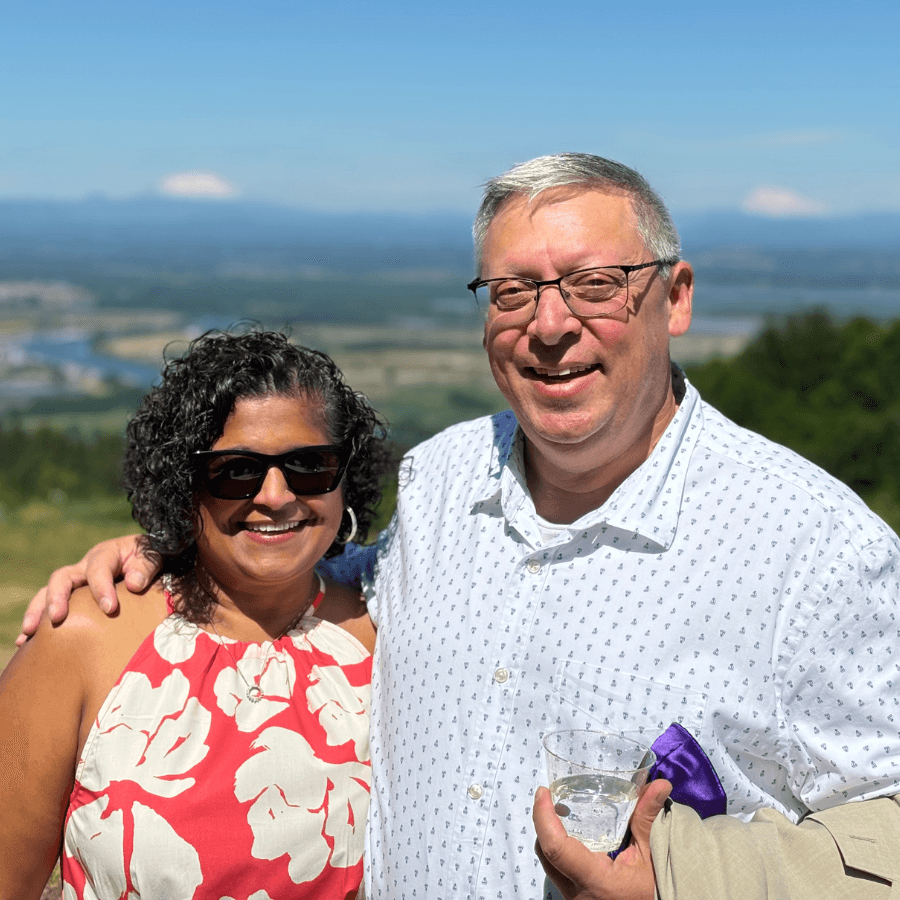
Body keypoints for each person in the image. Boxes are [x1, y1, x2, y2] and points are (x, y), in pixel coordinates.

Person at [20, 154, 900, 900]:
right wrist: (169, 553)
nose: (550, 326)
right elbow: (298, 575)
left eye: (595, 285)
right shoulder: (441, 480)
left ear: (675, 298)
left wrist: (682, 877)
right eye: (513, 292)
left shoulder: (813, 547)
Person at [1, 330, 388, 899]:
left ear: (345, 478)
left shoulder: (388, 633)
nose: (276, 495)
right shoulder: (85, 639)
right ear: (183, 485)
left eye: (309, 465)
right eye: (236, 470)